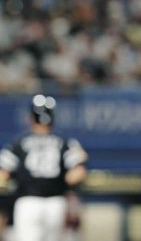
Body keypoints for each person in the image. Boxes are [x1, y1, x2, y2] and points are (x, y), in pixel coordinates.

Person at [0, 94, 88, 241]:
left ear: (30, 118)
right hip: (56, 203)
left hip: (27, 202)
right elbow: (78, 172)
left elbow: (3, 172)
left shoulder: (19, 143)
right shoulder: (64, 142)